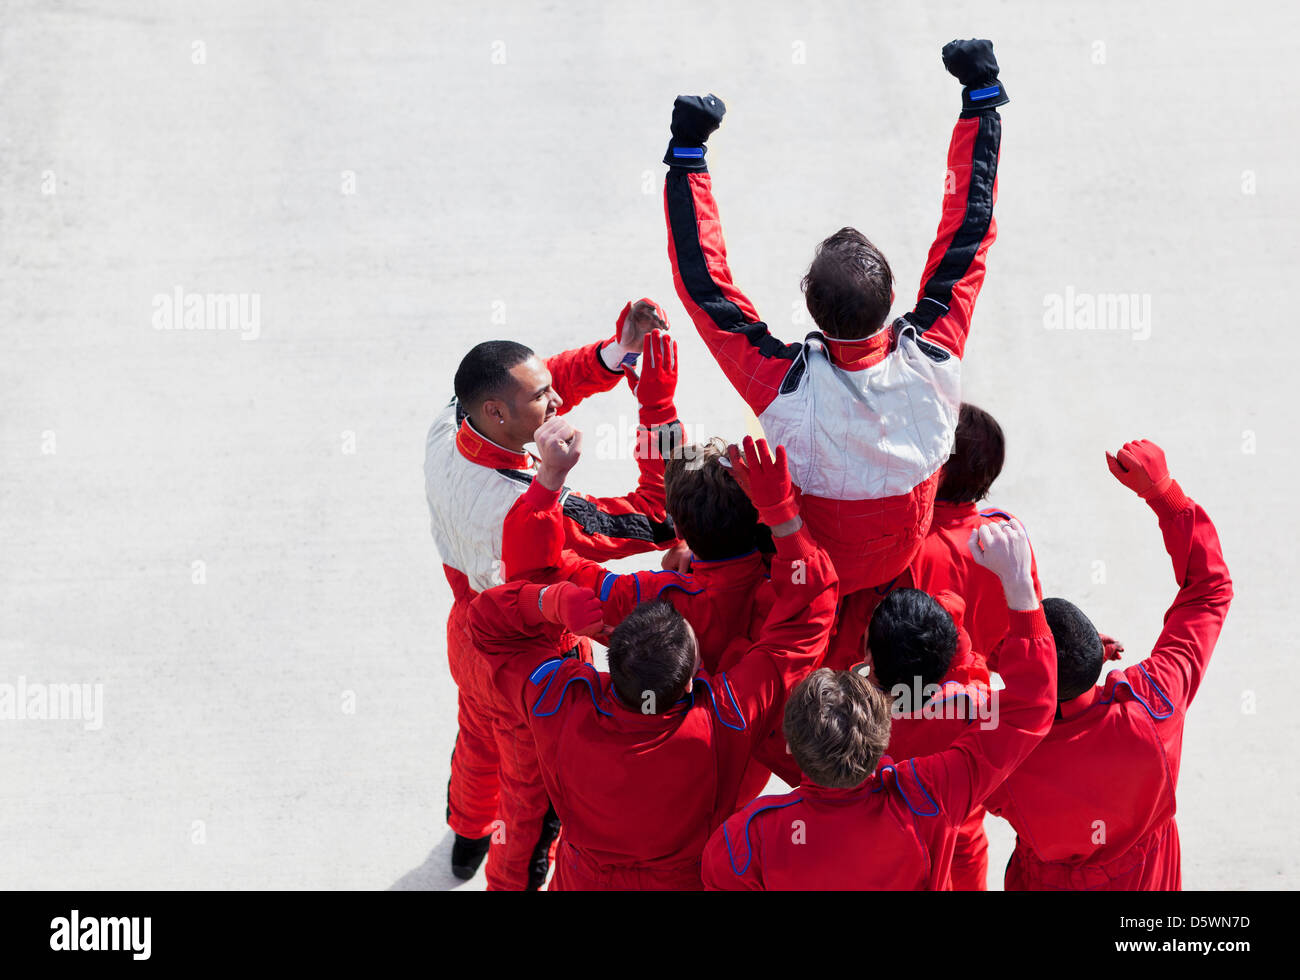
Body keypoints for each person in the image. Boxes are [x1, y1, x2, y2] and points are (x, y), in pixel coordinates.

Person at [659, 40, 1009, 662]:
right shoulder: (935, 355)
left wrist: (689, 155)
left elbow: (703, 286)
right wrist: (980, 98)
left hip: (805, 572)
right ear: (897, 295)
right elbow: (970, 228)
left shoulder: (779, 383)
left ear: (808, 309)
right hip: (899, 560)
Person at [467, 438, 838, 889]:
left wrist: (550, 589)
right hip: (704, 845)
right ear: (693, 679)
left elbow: (512, 597)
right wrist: (781, 512)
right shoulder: (729, 716)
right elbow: (812, 605)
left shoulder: (561, 702)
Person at [424, 303, 681, 889]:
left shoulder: (448, 426)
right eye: (541, 398)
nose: (556, 401)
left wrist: (615, 353)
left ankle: (466, 834)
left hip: (468, 633)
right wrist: (656, 403)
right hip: (531, 668)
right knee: (532, 808)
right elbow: (656, 516)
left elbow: (551, 382)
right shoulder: (540, 510)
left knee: (474, 738)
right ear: (496, 411)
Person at [701, 518, 1056, 890]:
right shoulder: (932, 789)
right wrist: (1019, 588)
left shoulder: (744, 840)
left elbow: (751, 712)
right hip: (959, 842)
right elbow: (1031, 705)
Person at [982, 440, 1233, 890]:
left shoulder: (999, 747)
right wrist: (1164, 495)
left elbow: (929, 715)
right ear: (1098, 655)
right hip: (1147, 876)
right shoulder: (1153, 704)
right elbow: (1208, 592)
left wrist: (999, 660)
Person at [869, 588, 994, 890]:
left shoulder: (862, 713)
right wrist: (948, 621)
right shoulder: (973, 702)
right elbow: (968, 666)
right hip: (965, 839)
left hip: (897, 845)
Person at [911, 403, 1043, 670]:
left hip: (892, 696)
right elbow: (1023, 627)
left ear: (939, 470)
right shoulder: (1007, 535)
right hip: (970, 692)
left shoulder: (906, 543)